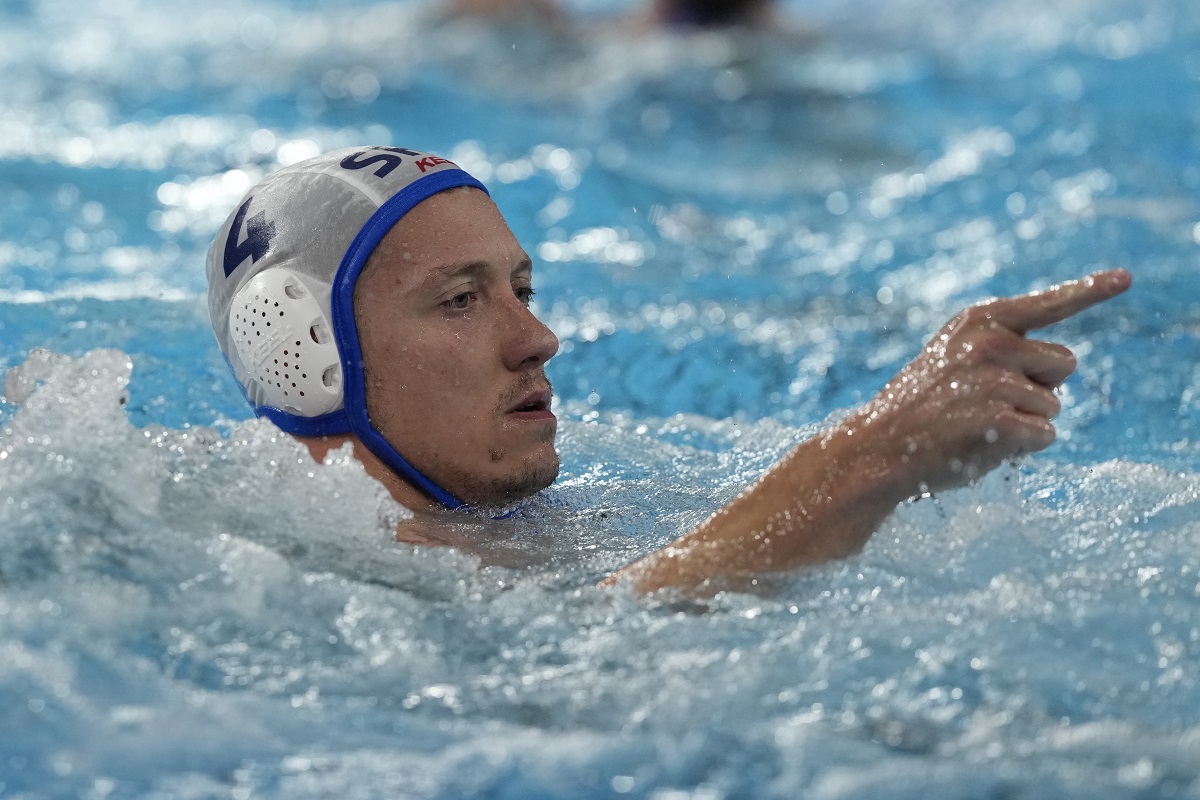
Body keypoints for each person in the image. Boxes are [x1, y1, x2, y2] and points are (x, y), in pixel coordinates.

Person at [206, 146, 1131, 593]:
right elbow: (587, 656)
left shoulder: (517, 511)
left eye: (523, 288)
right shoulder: (292, 561)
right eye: (460, 299)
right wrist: (873, 454)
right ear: (308, 355)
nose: (537, 339)